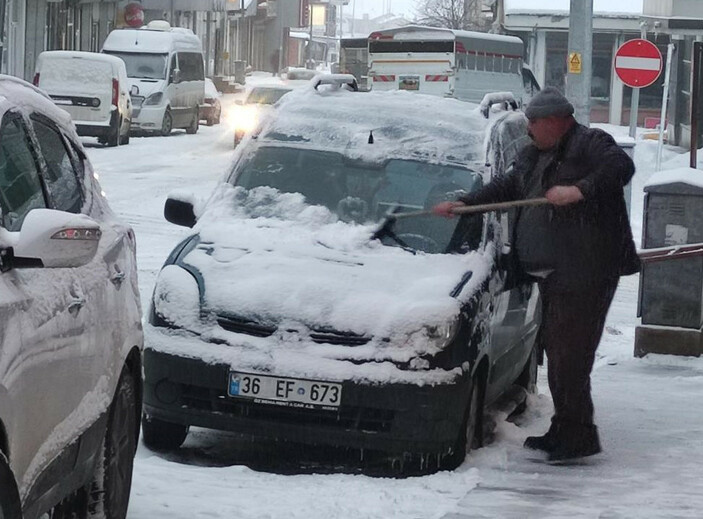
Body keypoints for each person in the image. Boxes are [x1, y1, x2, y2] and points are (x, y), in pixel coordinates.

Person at [433, 87, 640, 462]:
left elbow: (621, 168)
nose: (528, 131)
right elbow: (507, 187)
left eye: (533, 124)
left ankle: (578, 436)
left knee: (570, 357)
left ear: (555, 121)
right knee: (560, 355)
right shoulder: (533, 154)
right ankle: (567, 428)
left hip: (586, 272)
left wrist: (579, 190)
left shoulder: (591, 143)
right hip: (554, 275)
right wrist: (465, 204)